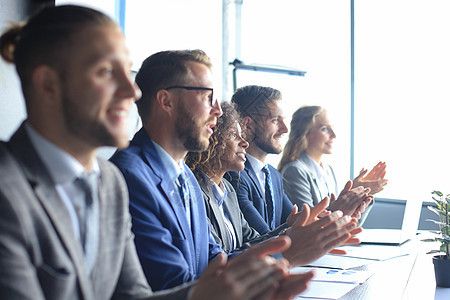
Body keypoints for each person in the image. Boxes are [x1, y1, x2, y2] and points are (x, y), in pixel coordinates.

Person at [0, 5, 313, 300]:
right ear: (48, 84)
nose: (133, 91)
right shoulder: (8, 190)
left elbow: (134, 296)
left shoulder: (107, 181)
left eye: (128, 71)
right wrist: (285, 253)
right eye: (107, 71)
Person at [109, 49, 315, 296]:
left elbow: (215, 261)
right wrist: (287, 252)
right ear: (166, 101)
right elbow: (176, 284)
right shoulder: (128, 177)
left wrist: (289, 245)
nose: (218, 110)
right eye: (208, 97)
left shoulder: (186, 176)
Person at [185, 101, 361, 263]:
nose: (244, 143)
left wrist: (289, 228)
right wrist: (291, 242)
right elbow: (217, 261)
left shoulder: (228, 189)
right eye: (233, 134)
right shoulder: (195, 192)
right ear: (211, 140)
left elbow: (252, 241)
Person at [228, 85, 373, 234]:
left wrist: (343, 211)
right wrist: (336, 211)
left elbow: (300, 223)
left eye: (283, 120)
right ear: (248, 125)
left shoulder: (273, 175)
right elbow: (263, 238)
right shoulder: (234, 176)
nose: (285, 129)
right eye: (275, 120)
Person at [278, 105, 388, 225]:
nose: (334, 135)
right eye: (325, 129)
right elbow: (306, 225)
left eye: (332, 128)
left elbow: (348, 223)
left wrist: (361, 196)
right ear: (305, 133)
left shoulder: (328, 170)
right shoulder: (294, 171)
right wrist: (347, 200)